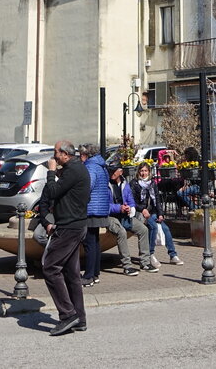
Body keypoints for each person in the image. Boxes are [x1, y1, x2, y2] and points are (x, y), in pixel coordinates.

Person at [40, 140, 90, 336]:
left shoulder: (73, 170)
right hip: (73, 225)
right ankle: (80, 318)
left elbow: (53, 191)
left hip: (70, 227)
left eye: (55, 152)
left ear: (65, 155)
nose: (53, 156)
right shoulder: (74, 168)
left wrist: (51, 172)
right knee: (71, 274)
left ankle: (68, 315)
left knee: (50, 268)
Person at [81, 146, 138, 284]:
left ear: (86, 155)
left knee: (89, 242)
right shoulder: (101, 166)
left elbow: (88, 186)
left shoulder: (90, 167)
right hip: (100, 209)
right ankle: (95, 274)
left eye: (81, 154)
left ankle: (88, 276)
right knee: (94, 241)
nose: (80, 157)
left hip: (92, 209)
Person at [130, 162, 183, 267]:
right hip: (139, 212)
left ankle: (172, 255)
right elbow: (132, 201)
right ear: (138, 172)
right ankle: (150, 254)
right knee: (153, 227)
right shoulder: (134, 183)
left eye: (145, 171)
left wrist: (160, 214)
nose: (143, 173)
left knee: (165, 229)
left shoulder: (152, 183)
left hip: (152, 211)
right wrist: (142, 209)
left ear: (149, 172)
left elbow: (157, 200)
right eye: (141, 171)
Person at [107, 163, 153, 271]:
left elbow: (131, 200)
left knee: (143, 230)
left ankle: (145, 263)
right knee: (121, 232)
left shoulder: (125, 184)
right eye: (110, 171)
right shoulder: (106, 184)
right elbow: (103, 205)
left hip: (124, 216)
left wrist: (130, 208)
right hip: (110, 216)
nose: (111, 173)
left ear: (121, 172)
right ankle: (127, 265)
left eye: (114, 171)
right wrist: (119, 208)